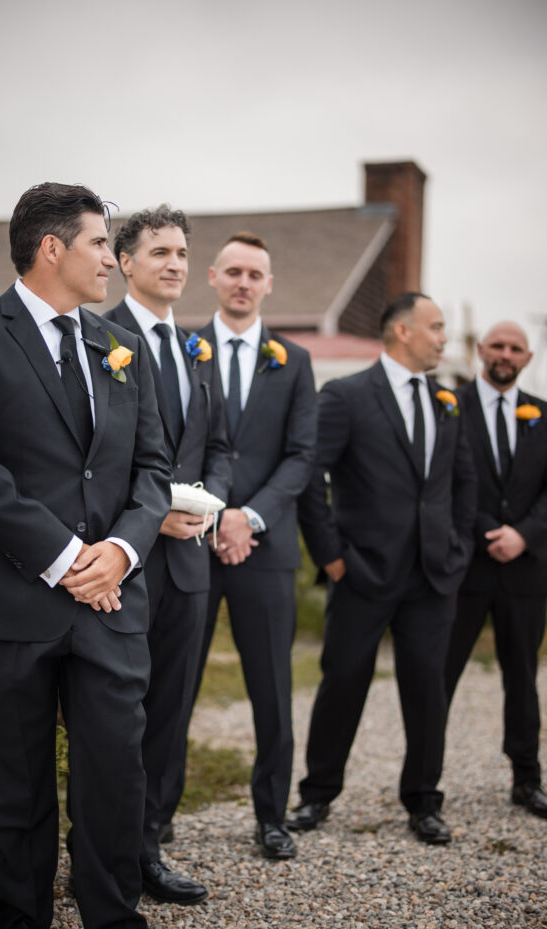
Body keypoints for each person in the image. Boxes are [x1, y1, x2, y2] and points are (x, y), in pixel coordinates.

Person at [0, 183, 173, 929]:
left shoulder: (116, 344)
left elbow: (154, 471)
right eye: (102, 243)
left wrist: (123, 553)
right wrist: (69, 561)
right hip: (13, 596)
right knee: (20, 779)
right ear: (52, 248)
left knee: (114, 774)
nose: (113, 257)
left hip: (112, 600)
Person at [290, 291, 477, 845]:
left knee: (428, 689)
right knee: (343, 681)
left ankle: (424, 802)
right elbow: (311, 479)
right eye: (436, 327)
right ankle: (316, 795)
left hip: (434, 575)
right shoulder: (347, 396)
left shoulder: (448, 402)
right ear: (402, 332)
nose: (443, 337)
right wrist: (331, 556)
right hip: (363, 572)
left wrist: (459, 548)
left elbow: (463, 483)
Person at [104, 206, 231, 904]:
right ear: (126, 262)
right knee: (115, 719)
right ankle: (103, 854)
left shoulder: (193, 347)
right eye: (159, 252)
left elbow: (217, 446)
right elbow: (97, 455)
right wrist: (159, 517)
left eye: (182, 252)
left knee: (170, 713)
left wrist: (206, 504)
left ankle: (150, 845)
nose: (176, 264)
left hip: (188, 567)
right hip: (125, 565)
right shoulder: (101, 338)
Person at [183, 232, 317, 860]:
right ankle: (156, 813)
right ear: (212, 276)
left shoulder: (294, 361)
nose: (242, 281)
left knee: (272, 689)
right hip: (190, 544)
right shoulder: (182, 350)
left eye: (254, 274)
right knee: (174, 685)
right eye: (232, 270)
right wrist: (212, 516)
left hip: (266, 549)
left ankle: (271, 817)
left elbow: (301, 456)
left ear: (269, 284)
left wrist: (250, 517)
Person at [445, 321, 547, 818]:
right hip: (466, 568)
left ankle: (527, 781)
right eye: (497, 346)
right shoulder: (450, 409)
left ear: (528, 357)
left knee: (523, 677)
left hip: (526, 571)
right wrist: (492, 531)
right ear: (480, 350)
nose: (505, 354)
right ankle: (424, 785)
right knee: (440, 676)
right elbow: (444, 482)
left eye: (515, 348)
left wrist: (525, 535)